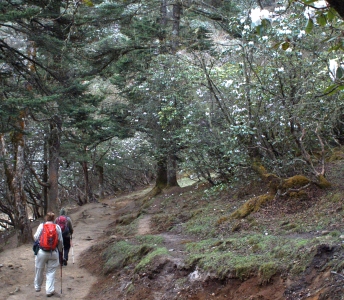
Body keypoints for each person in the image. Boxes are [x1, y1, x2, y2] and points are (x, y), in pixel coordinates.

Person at [33, 211, 63, 297]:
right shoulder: (57, 227)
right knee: (51, 271)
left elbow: (35, 237)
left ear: (46, 218)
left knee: (39, 269)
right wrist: (60, 250)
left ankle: (37, 287)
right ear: (54, 219)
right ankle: (49, 290)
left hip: (41, 252)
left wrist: (40, 241)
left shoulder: (41, 226)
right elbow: (60, 240)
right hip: (53, 252)